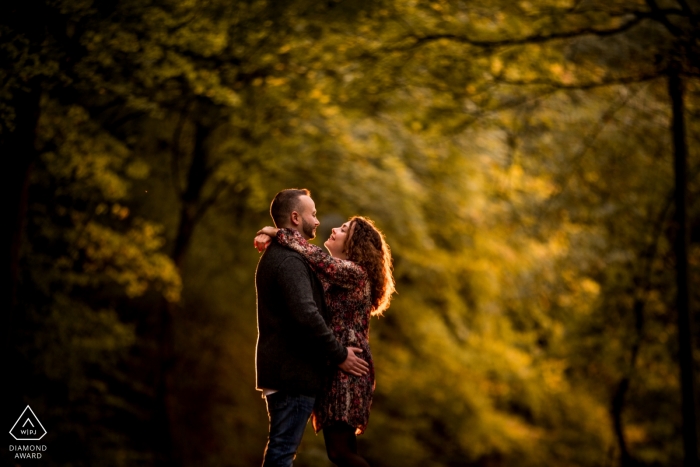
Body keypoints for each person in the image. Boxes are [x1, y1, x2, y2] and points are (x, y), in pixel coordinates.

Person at [255, 215, 395, 467]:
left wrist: (274, 231)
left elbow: (313, 255)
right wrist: (273, 239)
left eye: (344, 230)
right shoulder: (337, 275)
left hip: (348, 363)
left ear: (354, 245)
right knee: (341, 450)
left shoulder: (354, 272)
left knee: (340, 451)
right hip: (337, 361)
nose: (334, 229)